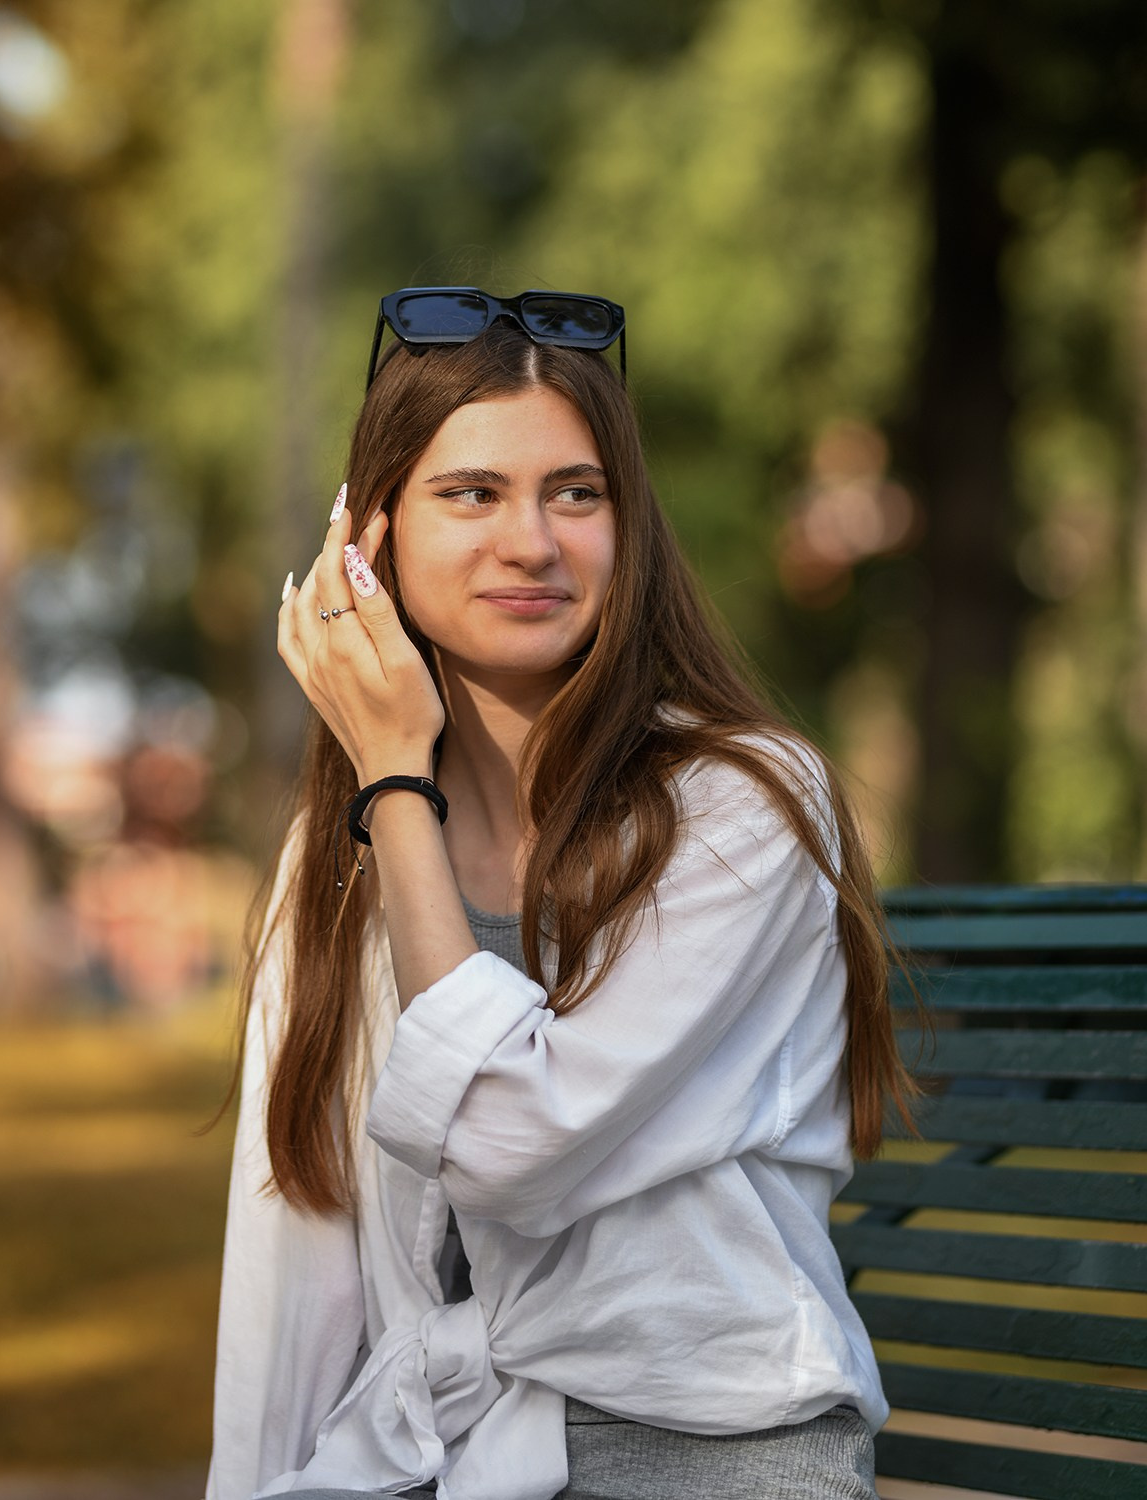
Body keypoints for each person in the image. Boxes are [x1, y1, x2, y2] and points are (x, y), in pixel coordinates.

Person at [206, 287, 916, 1500]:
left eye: (576, 493)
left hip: (712, 1452)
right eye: (470, 492)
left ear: (627, 527)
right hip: (444, 1454)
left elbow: (499, 1146)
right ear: (364, 537)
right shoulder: (334, 855)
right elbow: (296, 1256)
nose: (530, 541)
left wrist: (392, 781)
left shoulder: (743, 805)